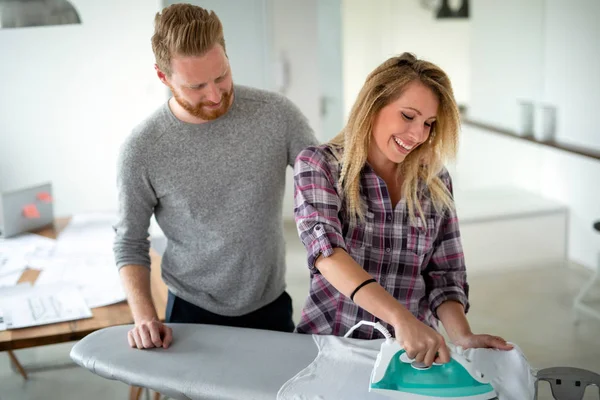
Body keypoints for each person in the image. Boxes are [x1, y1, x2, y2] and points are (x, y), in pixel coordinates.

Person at [114, 3, 318, 350]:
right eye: (196, 86)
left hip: (270, 304)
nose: (215, 94)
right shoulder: (142, 150)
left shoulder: (277, 115)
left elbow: (325, 187)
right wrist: (145, 316)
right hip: (191, 312)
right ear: (163, 77)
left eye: (221, 76)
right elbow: (129, 242)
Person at [293, 53, 512, 367]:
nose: (417, 134)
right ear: (373, 104)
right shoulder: (320, 165)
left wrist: (461, 336)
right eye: (408, 116)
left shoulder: (435, 181)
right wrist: (400, 318)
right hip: (330, 343)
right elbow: (327, 253)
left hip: (410, 356)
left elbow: (444, 274)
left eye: (428, 124)